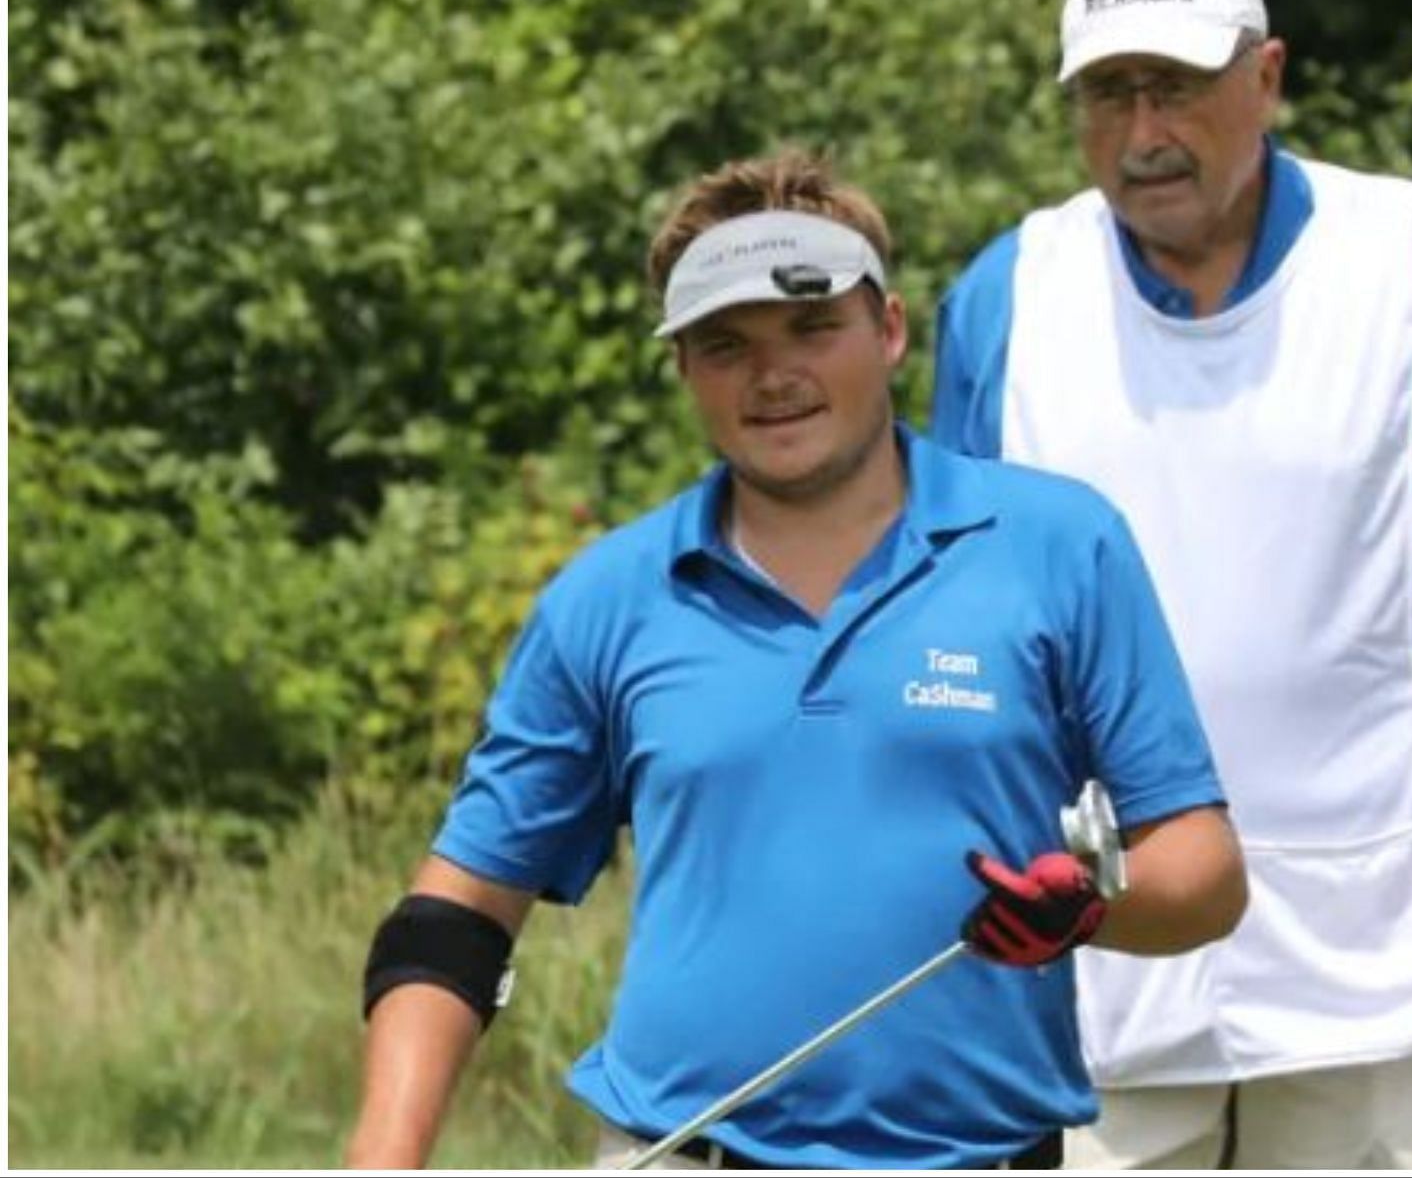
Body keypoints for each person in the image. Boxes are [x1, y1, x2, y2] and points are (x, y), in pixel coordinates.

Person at [344, 149, 1248, 1171]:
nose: (774, 375)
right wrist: (384, 1158)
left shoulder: (1059, 545)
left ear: (891, 330)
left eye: (813, 326)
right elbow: (452, 921)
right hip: (683, 1151)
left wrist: (1089, 907)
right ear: (682, 366)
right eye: (726, 343)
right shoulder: (608, 595)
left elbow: (1207, 874)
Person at [932, 0, 1412, 1171]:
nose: (1143, 134)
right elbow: (953, 600)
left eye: (1177, 87)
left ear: (1268, 76)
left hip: (1391, 896)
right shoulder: (1010, 291)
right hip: (1107, 913)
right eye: (1108, 94)